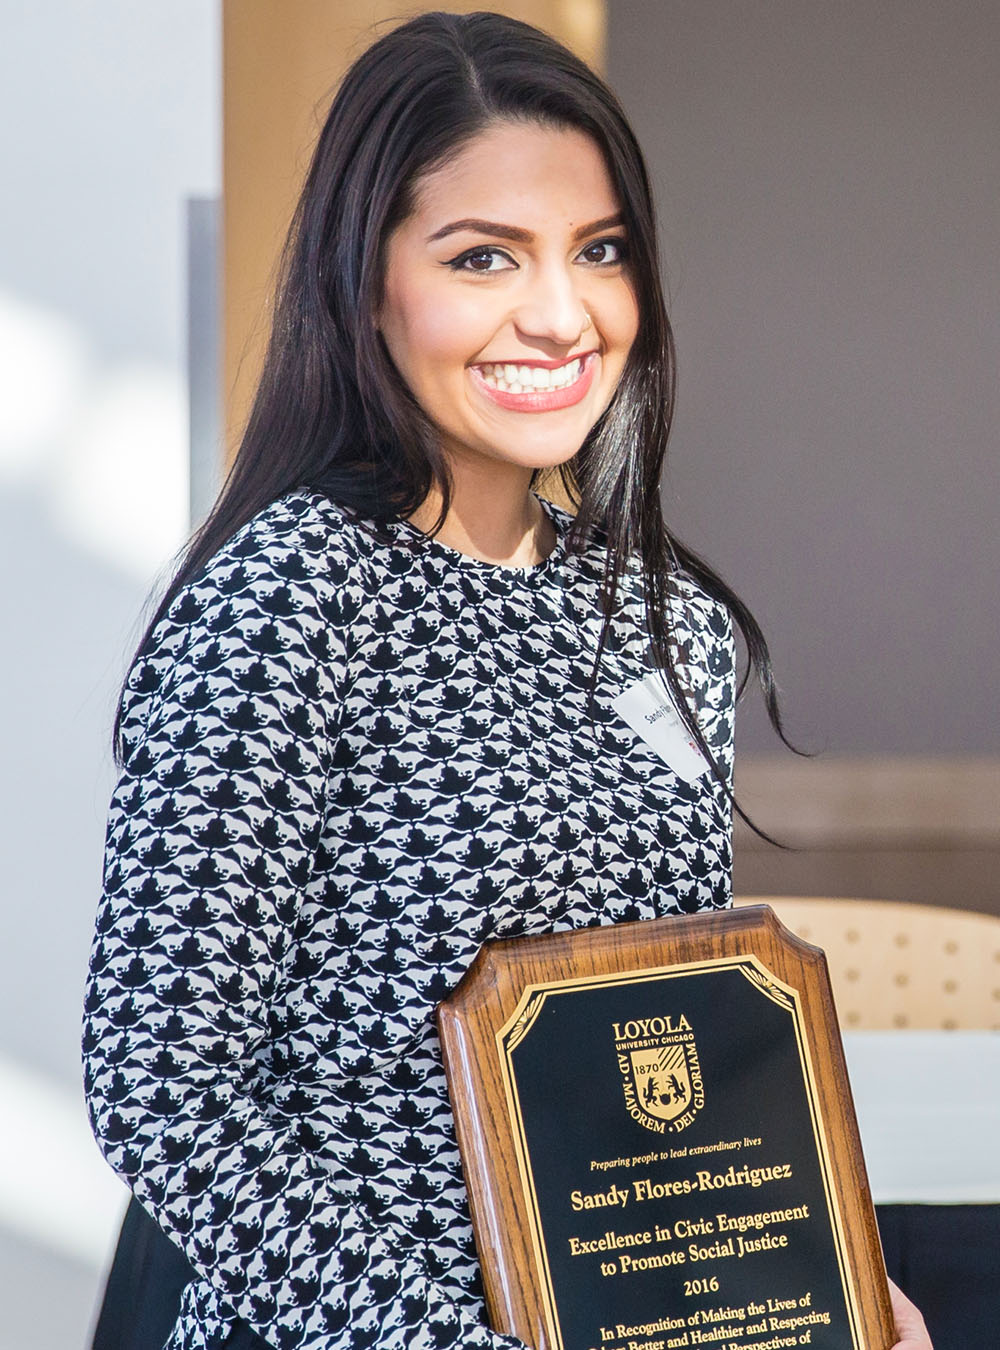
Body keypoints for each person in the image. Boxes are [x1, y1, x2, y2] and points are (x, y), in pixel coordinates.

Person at [82, 12, 931, 1350]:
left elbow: (674, 1031)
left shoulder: (664, 616)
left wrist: (813, 1276)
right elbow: (163, 1082)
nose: (558, 311)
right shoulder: (296, 593)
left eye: (599, 252)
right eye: (483, 257)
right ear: (366, 287)